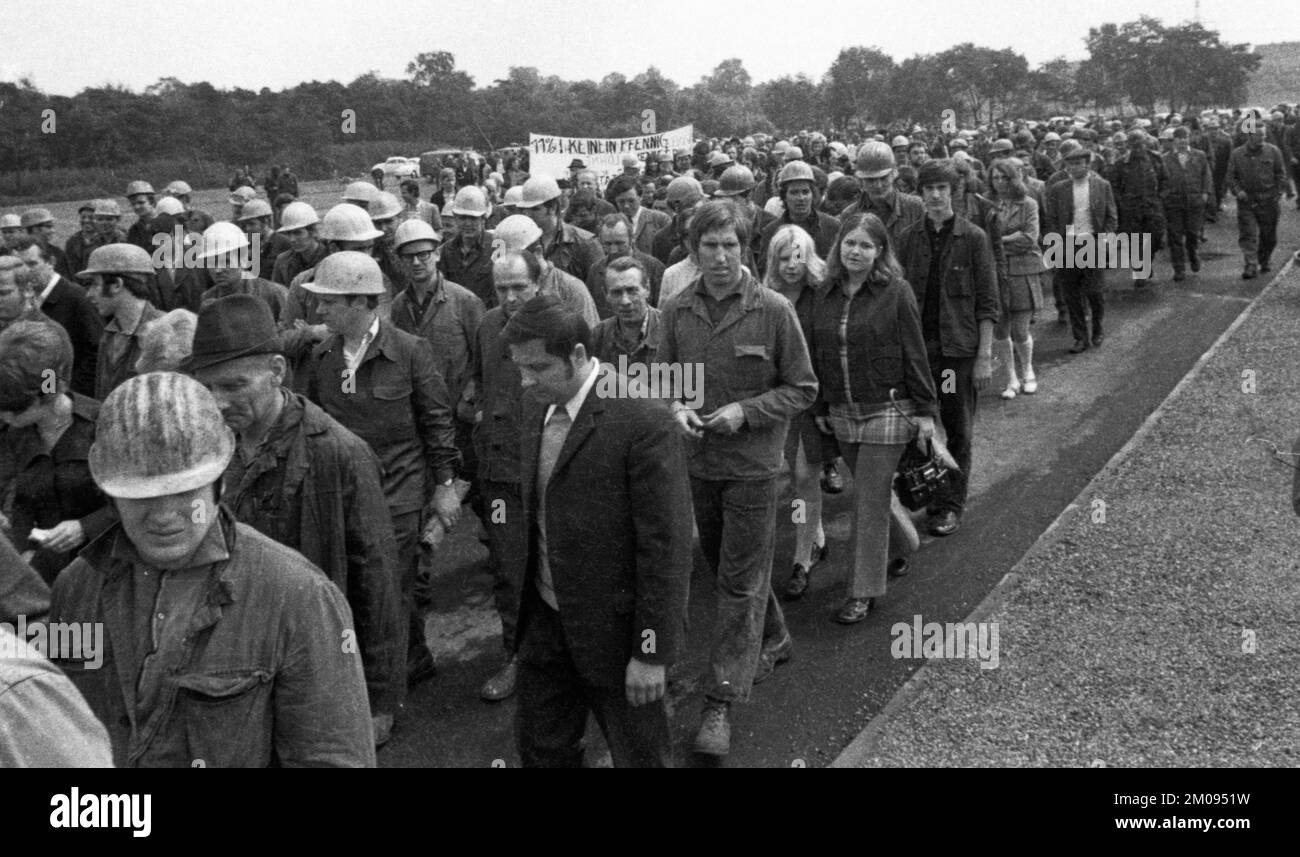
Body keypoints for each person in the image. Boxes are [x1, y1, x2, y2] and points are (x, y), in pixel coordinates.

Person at [47, 371, 376, 766]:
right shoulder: (76, 590)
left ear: (220, 482)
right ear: (109, 495)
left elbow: (333, 759)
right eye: (141, 497)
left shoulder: (297, 596)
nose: (165, 516)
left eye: (186, 492)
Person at [186, 294, 402, 748]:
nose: (218, 403)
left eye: (234, 385)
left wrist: (379, 701)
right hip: (235, 659)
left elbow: (376, 581)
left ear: (278, 373)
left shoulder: (338, 454)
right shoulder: (208, 447)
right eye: (207, 388)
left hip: (311, 659)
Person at [657, 201, 818, 757]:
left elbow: (803, 388)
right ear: (693, 250)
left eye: (729, 246)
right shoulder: (676, 311)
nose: (720, 257)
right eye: (709, 247)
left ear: (745, 249)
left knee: (738, 583)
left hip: (754, 470)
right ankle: (774, 636)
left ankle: (720, 701)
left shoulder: (774, 311)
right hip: (700, 468)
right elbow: (663, 381)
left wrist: (744, 412)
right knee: (727, 567)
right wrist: (677, 407)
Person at [503, 295, 691, 767]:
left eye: (539, 367)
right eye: (520, 368)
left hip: (616, 635)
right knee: (542, 750)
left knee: (641, 757)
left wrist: (651, 651)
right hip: (545, 623)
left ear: (580, 356)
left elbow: (665, 547)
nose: (526, 380)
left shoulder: (643, 420)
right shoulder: (535, 405)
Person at [304, 252, 461, 690]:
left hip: (399, 493)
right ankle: (408, 658)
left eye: (328, 303)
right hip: (344, 493)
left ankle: (387, 692)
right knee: (361, 585)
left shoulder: (410, 351)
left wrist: (445, 486)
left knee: (390, 588)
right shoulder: (322, 358)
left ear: (359, 302)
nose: (318, 311)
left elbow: (437, 422)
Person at [807, 214, 937, 620]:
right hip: (843, 412)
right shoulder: (824, 293)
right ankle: (903, 543)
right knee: (872, 494)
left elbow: (915, 352)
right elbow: (816, 356)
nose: (856, 251)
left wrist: (927, 411)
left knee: (867, 496)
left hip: (888, 408)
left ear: (880, 251)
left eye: (865, 245)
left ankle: (862, 591)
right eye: (850, 243)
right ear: (838, 247)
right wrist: (821, 406)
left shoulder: (895, 291)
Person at [894, 160, 999, 537]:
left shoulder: (973, 238)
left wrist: (984, 356)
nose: (935, 195)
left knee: (955, 427)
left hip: (955, 359)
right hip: (920, 355)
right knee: (922, 427)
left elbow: (987, 301)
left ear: (953, 191)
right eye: (928, 189)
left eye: (942, 188)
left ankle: (950, 504)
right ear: (919, 193)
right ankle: (927, 492)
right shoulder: (908, 239)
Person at [465, 250, 542, 702]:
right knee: (508, 569)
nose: (511, 297)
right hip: (499, 472)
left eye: (520, 287)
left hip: (552, 469)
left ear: (539, 281)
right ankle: (517, 656)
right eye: (502, 288)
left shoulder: (564, 325)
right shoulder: (488, 325)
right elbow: (478, 379)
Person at [0, 321, 115, 584]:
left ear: (45, 395)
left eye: (15, 409)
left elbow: (135, 499)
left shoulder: (105, 425)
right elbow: (20, 501)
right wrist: (24, 549)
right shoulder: (13, 434)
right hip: (42, 572)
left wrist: (84, 527)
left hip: (102, 568)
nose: (5, 417)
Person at [761, 226, 833, 600]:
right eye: (784, 257)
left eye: (798, 256)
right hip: (779, 400)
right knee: (786, 478)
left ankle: (802, 558)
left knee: (806, 478)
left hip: (815, 400)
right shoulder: (766, 297)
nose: (791, 265)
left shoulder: (821, 295)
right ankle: (814, 532)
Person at [1044, 142, 1118, 353]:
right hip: (1068, 244)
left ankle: (1097, 328)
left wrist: (1106, 238)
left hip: (1093, 242)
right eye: (1070, 164)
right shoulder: (1059, 189)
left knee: (1094, 291)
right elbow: (1051, 218)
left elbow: (1112, 216)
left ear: (1088, 164)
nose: (1075, 168)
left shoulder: (1101, 185)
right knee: (1071, 294)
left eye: (1079, 164)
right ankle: (1079, 337)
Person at [12, 237, 102, 397]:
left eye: (32, 264)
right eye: (19, 265)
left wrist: (67, 392)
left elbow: (96, 352)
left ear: (51, 262)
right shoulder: (26, 299)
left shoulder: (77, 299)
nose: (25, 271)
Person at [986, 159, 1046, 399]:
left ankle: (1028, 371)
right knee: (1000, 329)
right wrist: (1011, 239)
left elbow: (1030, 238)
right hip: (995, 272)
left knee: (1020, 329)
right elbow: (983, 238)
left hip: (1023, 270)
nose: (1000, 182)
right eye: (995, 178)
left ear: (1014, 178)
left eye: (1004, 177)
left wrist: (999, 242)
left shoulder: (1028, 203)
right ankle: (1011, 377)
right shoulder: (988, 204)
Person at [80, 244, 166, 400]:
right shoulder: (110, 333)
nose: (89, 294)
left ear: (117, 285)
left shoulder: (165, 333)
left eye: (94, 284)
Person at [1225, 122, 1289, 279]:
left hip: (1268, 200)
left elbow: (1281, 174)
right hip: (1247, 201)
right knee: (1248, 234)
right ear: (1249, 136)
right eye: (1259, 135)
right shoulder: (1237, 154)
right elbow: (1231, 177)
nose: (1262, 138)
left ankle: (1264, 259)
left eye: (1264, 135)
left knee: (1269, 236)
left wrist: (1278, 193)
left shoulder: (1273, 151)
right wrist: (1238, 191)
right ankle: (1251, 264)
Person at [515, 175, 603, 282]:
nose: (527, 214)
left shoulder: (586, 243)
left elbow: (598, 287)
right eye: (524, 210)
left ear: (552, 208)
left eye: (534, 209)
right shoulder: (520, 241)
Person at [196, 223, 289, 322]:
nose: (218, 270)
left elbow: (288, 330)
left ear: (243, 260)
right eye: (212, 263)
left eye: (225, 262)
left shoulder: (272, 293)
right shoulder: (208, 299)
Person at [842, 141, 925, 249]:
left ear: (894, 174)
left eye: (883, 178)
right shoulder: (850, 215)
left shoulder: (914, 207)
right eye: (871, 180)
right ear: (861, 181)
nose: (878, 185)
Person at [588, 254, 662, 369]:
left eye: (632, 290)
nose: (625, 301)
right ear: (606, 295)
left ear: (647, 289)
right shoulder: (598, 337)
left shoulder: (670, 330)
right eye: (616, 292)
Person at [1160, 127, 1214, 282]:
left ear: (1189, 139)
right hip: (1174, 202)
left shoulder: (1199, 155)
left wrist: (1205, 194)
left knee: (1192, 233)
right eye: (1179, 138)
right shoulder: (1166, 158)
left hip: (1194, 201)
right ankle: (1179, 268)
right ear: (1174, 140)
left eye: (1185, 137)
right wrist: (1165, 195)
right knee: (1175, 236)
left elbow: (1207, 176)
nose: (1183, 140)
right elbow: (1161, 179)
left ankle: (1193, 254)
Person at [586, 214, 665, 316]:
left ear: (632, 238)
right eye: (607, 244)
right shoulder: (595, 270)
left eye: (619, 243)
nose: (613, 250)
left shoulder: (653, 267)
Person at [270, 201, 330, 286]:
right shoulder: (283, 262)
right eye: (288, 233)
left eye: (297, 233)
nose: (292, 239)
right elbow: (277, 295)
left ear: (312, 231)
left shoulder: (330, 257)